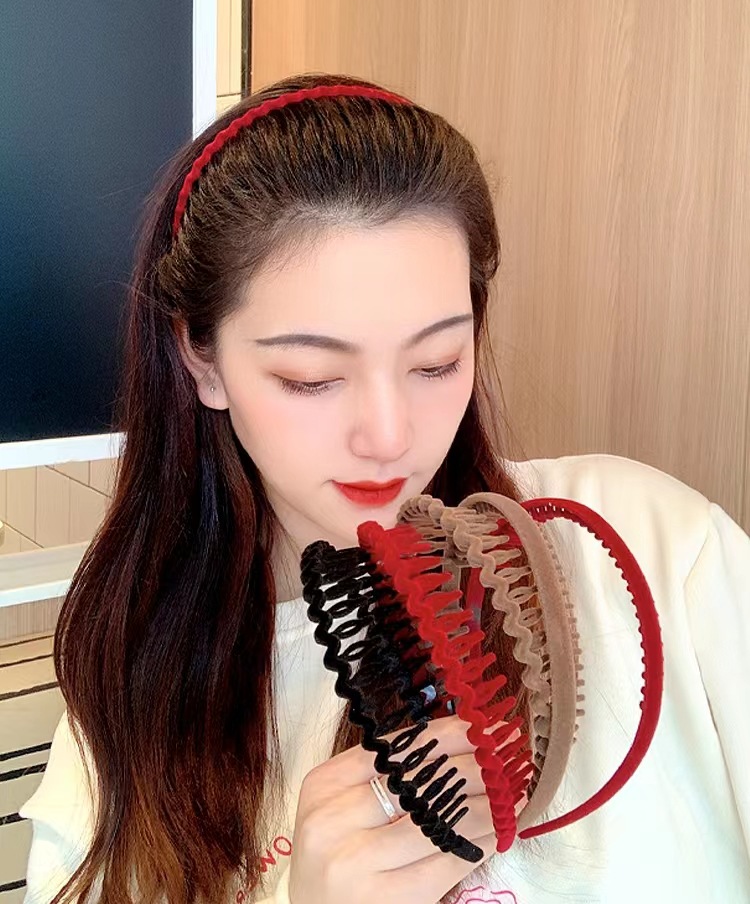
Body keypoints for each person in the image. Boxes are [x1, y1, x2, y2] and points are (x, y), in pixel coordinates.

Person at [20, 73, 750, 904]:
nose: (390, 436)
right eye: (311, 376)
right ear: (202, 358)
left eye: (436, 362)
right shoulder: (133, 692)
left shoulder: (649, 547)